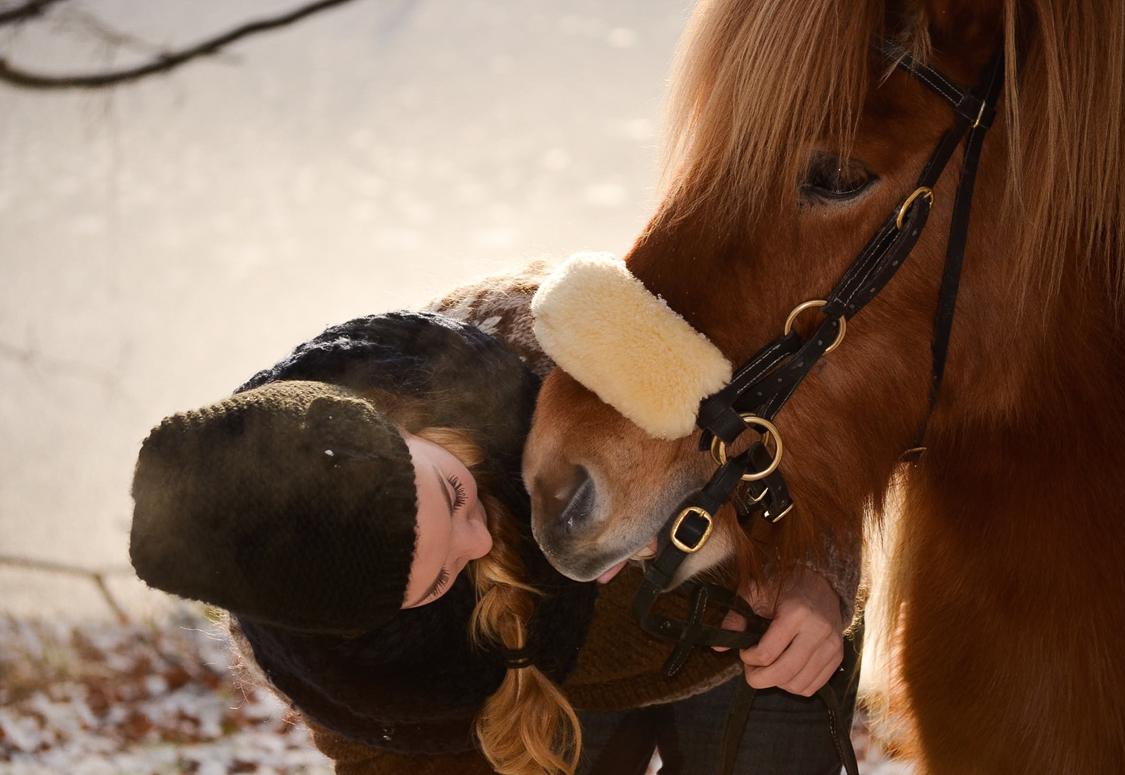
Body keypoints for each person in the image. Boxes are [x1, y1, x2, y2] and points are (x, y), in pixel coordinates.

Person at [130, 262, 861, 774]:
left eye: (454, 494)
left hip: (762, 649)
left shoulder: (538, 332)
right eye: (443, 578)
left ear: (399, 421)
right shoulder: (343, 664)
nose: (481, 538)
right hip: (546, 710)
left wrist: (819, 577)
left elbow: (817, 420)